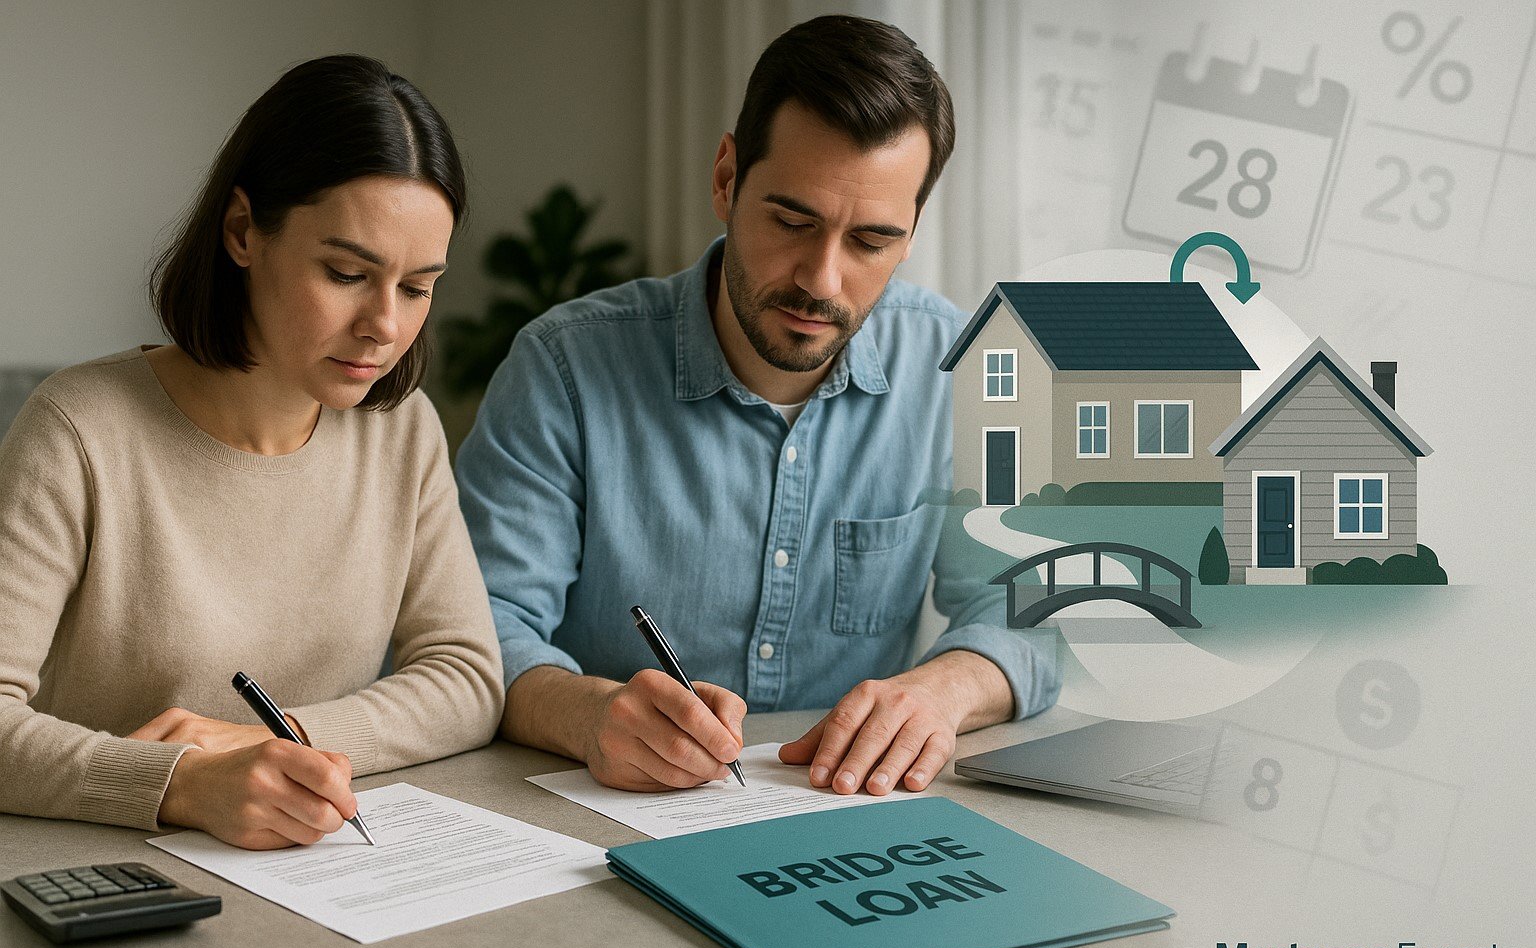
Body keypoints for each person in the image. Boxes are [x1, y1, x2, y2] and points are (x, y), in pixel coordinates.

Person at [457, 16, 1057, 797]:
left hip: (843, 823)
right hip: (600, 818)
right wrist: (586, 712)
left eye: (871, 241)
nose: (822, 280)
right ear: (726, 177)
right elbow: (475, 633)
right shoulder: (564, 369)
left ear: (911, 234)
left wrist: (942, 690)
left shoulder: (962, 372)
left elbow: (1038, 613)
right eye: (791, 221)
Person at [0, 55, 504, 850]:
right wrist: (182, 784)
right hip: (103, 874)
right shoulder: (79, 429)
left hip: (308, 870)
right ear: (243, 232)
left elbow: (468, 678)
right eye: (347, 273)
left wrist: (282, 739)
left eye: (417, 288)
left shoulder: (402, 429)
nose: (384, 324)